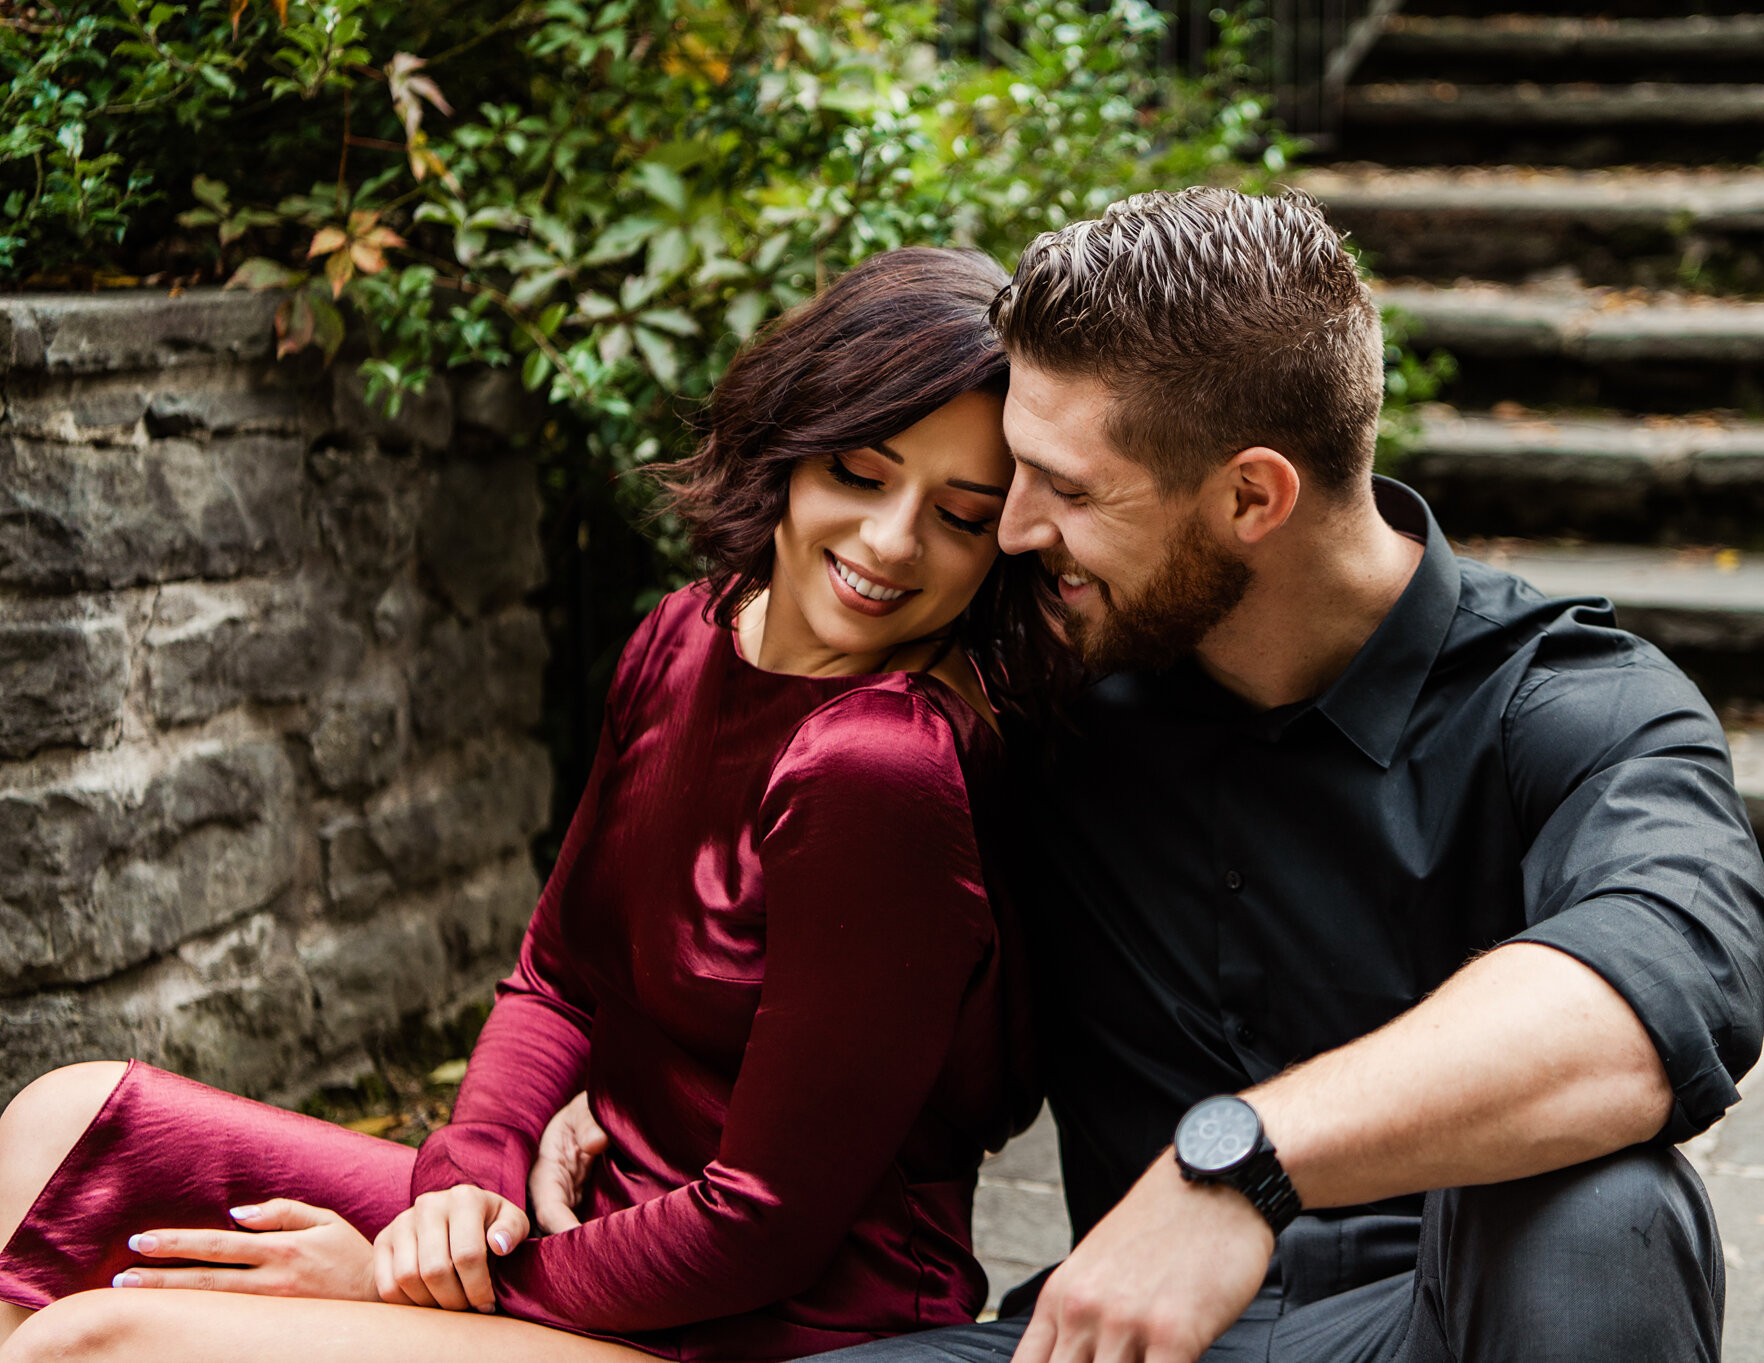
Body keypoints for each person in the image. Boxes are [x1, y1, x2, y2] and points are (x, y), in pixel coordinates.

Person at [0, 246, 1058, 1363]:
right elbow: (556, 975)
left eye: (959, 515)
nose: (891, 543)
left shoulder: (880, 765)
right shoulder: (687, 634)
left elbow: (761, 1225)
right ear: (791, 447)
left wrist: (395, 1283)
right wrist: (463, 1182)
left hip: (781, 1323)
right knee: (68, 1132)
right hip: (584, 1219)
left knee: (100, 1338)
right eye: (859, 471)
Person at [803, 189, 1764, 1363]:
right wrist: (588, 1081)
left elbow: (1646, 997)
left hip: (1446, 1325)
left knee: (1607, 1208)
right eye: (1017, 473)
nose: (1012, 529)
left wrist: (1239, 1161)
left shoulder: (1578, 705)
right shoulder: (1049, 660)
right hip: (1110, 1343)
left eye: (1066, 489)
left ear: (1251, 496)